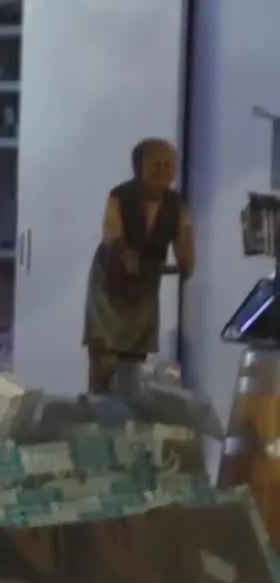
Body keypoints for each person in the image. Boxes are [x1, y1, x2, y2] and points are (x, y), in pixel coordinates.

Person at [84, 137, 195, 394]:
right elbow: (113, 236)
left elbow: (184, 242)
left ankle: (130, 420)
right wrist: (124, 254)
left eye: (169, 165)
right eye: (155, 165)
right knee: (103, 360)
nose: (163, 171)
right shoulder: (119, 196)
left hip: (145, 285)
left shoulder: (177, 205)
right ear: (138, 167)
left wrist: (186, 259)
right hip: (109, 285)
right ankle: (97, 414)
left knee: (135, 364)